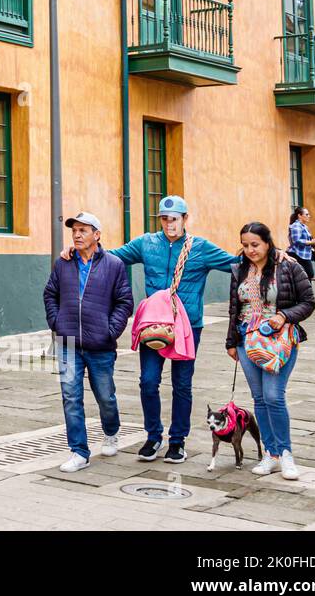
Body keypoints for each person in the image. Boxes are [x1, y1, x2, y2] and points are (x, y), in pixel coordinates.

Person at [63, 195, 238, 464]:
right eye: (165, 219)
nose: (170, 224)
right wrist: (78, 250)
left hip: (187, 326)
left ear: (185, 219)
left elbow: (235, 264)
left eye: (175, 219)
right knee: (148, 382)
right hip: (153, 325)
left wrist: (273, 255)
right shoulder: (146, 243)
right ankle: (153, 436)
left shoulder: (200, 248)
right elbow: (110, 257)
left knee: (182, 384)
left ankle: (177, 442)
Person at [43, 213, 134, 473]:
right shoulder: (63, 263)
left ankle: (111, 431)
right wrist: (56, 321)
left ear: (97, 235)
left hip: (100, 345)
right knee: (71, 397)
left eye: (83, 230)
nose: (77, 234)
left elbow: (125, 302)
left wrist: (110, 330)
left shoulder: (114, 264)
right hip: (67, 341)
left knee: (105, 396)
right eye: (74, 230)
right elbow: (50, 293)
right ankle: (79, 452)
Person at [225, 222, 315, 480]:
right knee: (259, 398)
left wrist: (284, 315)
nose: (250, 250)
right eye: (245, 245)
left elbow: (308, 302)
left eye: (255, 245)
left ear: (267, 242)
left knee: (274, 396)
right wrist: (231, 341)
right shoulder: (239, 269)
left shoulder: (288, 267)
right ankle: (271, 454)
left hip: (279, 341)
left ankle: (286, 453)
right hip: (246, 341)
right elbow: (235, 308)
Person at [286, 206, 315, 280]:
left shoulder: (304, 227)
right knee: (307, 275)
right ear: (299, 215)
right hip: (297, 255)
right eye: (307, 214)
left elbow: (306, 240)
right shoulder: (296, 226)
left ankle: (304, 291)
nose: (309, 216)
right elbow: (297, 240)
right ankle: (303, 291)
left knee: (307, 276)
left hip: (304, 255)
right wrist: (311, 242)